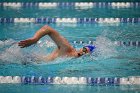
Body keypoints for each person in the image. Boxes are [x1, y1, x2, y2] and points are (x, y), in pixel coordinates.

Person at [18, 25, 95, 62]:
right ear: (81, 48)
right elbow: (47, 28)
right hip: (27, 59)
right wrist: (35, 39)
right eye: (84, 49)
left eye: (85, 52)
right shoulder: (67, 48)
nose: (82, 52)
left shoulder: (71, 60)